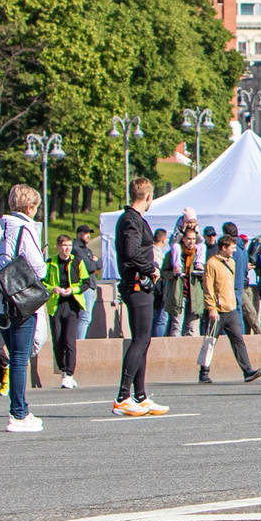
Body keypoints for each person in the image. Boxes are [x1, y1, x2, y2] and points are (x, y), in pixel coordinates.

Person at [0, 183, 50, 432]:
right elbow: (38, 266)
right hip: (17, 298)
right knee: (19, 357)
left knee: (14, 354)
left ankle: (20, 409)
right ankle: (18, 412)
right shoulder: (25, 228)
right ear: (29, 207)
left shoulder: (0, 227)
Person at [113, 178, 170, 417]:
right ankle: (123, 396)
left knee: (143, 340)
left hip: (139, 285)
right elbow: (131, 250)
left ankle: (140, 395)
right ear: (148, 197)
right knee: (139, 340)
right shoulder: (131, 220)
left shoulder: (133, 219)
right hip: (136, 285)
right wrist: (151, 268)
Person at [195, 233, 261, 385]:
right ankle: (204, 373)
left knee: (238, 340)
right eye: (232, 248)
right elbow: (208, 288)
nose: (234, 251)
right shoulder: (212, 264)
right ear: (223, 248)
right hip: (217, 310)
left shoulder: (231, 262)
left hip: (230, 308)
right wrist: (212, 308)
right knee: (210, 341)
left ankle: (247, 370)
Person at [45, 233, 90, 386]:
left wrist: (73, 290)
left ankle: (69, 373)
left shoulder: (77, 262)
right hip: (56, 305)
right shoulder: (50, 263)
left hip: (72, 304)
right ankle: (63, 369)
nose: (67, 249)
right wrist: (53, 289)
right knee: (57, 340)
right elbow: (42, 283)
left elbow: (86, 282)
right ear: (58, 247)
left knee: (70, 340)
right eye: (64, 246)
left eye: (69, 246)